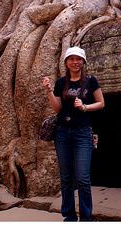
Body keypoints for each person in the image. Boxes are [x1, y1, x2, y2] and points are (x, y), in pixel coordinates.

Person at [42, 46, 105, 222]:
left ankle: (86, 218)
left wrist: (85, 107)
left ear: (83, 62)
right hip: (62, 132)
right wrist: (48, 91)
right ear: (66, 62)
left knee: (83, 177)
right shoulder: (62, 83)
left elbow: (101, 103)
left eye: (79, 59)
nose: (75, 62)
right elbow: (57, 108)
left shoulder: (91, 81)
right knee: (66, 177)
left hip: (82, 133)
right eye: (72, 59)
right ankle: (69, 216)